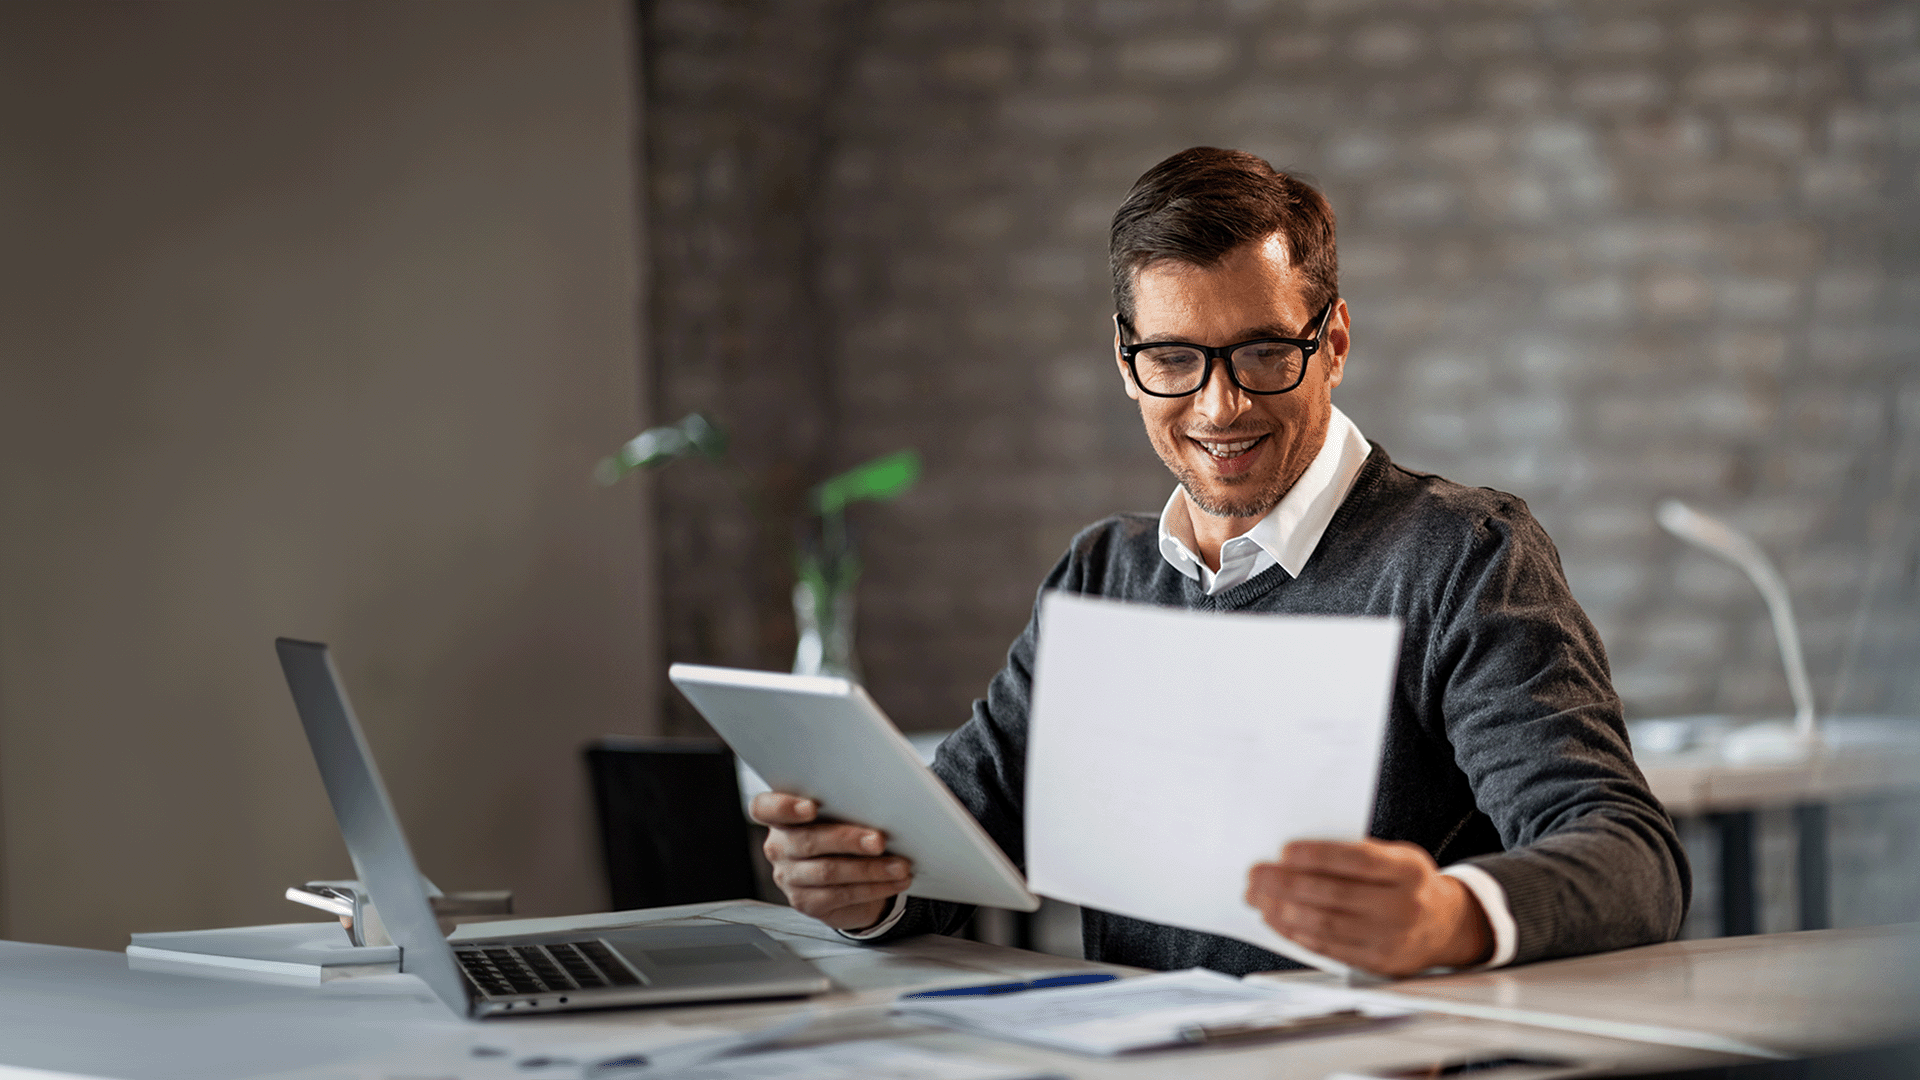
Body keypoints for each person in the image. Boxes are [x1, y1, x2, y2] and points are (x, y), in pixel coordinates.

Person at [752, 147, 1689, 977]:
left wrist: (1449, 916)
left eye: (1262, 353)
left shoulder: (1463, 558)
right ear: (1126, 362)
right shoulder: (1101, 576)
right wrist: (861, 882)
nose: (1219, 406)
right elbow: (952, 843)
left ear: (1334, 342)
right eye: (1173, 358)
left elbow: (1630, 858)